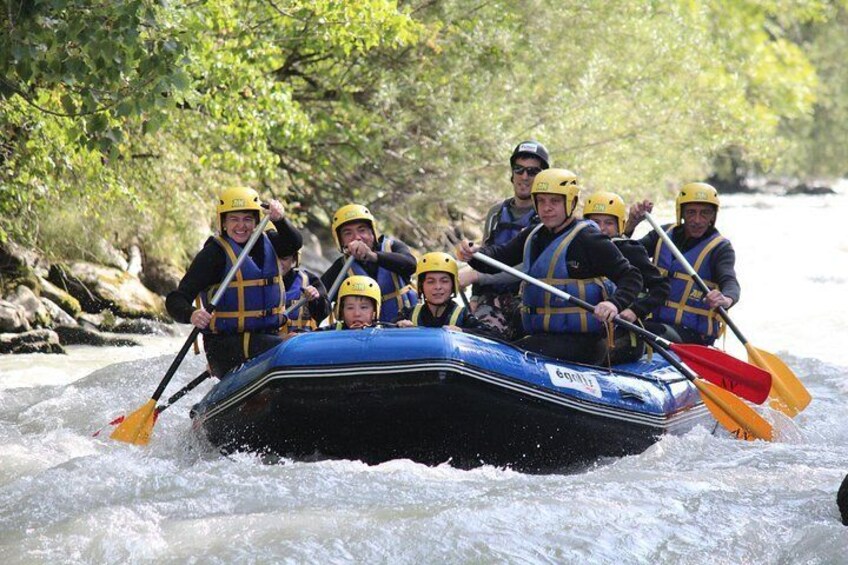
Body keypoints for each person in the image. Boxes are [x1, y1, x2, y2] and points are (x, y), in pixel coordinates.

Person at [456, 168, 643, 364]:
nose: (547, 208)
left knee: (512, 357)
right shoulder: (533, 234)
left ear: (570, 202)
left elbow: (631, 276)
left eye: (554, 201)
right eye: (542, 201)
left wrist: (614, 303)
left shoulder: (588, 239)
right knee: (497, 344)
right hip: (543, 336)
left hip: (582, 342)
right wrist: (475, 254)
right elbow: (499, 258)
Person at [166, 186, 302, 378]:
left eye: (247, 219)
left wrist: (280, 220)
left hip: (265, 337)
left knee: (298, 340)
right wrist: (192, 314)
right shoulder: (214, 254)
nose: (241, 226)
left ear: (256, 220)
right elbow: (175, 299)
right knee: (293, 348)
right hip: (226, 346)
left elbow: (294, 243)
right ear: (223, 222)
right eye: (234, 219)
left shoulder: (268, 241)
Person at [626, 182, 739, 346]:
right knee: (625, 330)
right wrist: (631, 225)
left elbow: (730, 281)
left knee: (645, 332)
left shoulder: (720, 248)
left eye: (705, 213)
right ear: (681, 212)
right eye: (691, 212)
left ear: (713, 215)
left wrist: (726, 299)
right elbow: (622, 257)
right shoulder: (662, 234)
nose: (697, 220)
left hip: (692, 336)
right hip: (652, 322)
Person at [458, 140, 550, 340]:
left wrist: (475, 276)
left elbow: (529, 269)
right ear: (512, 173)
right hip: (490, 298)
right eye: (519, 169)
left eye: (532, 172)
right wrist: (475, 297)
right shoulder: (496, 213)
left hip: (526, 301)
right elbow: (485, 258)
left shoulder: (548, 217)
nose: (524, 177)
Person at [584, 191, 671, 364]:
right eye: (595, 222)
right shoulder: (580, 250)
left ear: (619, 225)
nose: (601, 228)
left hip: (626, 334)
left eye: (608, 223)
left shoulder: (630, 250)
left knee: (593, 355)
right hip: (590, 330)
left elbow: (662, 288)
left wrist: (634, 311)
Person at [320, 204, 417, 324]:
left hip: (403, 329)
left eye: (362, 230)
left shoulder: (393, 248)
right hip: (365, 337)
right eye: (348, 233)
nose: (357, 237)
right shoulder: (340, 268)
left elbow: (411, 265)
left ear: (372, 232)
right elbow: (319, 303)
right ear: (341, 241)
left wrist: (373, 256)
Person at [396, 252, 500, 337]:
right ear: (421, 286)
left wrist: (463, 331)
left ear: (453, 285)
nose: (438, 287)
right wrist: (398, 328)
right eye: (431, 281)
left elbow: (493, 334)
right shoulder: (408, 314)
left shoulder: (462, 316)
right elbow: (384, 330)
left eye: (444, 281)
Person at [267, 231, 330, 334]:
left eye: (284, 258)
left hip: (300, 343)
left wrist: (315, 299)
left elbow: (323, 313)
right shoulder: (256, 281)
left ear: (294, 259)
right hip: (269, 345)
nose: (278, 263)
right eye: (273, 258)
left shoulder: (308, 280)